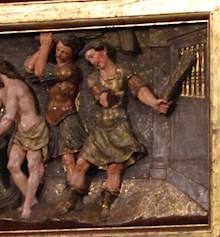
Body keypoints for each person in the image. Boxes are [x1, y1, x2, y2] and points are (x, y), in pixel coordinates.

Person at [59, 41, 170, 216]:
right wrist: (106, 97)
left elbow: (139, 89)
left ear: (103, 50)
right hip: (101, 129)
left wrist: (154, 103)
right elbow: (102, 97)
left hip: (120, 128)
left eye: (93, 55)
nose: (93, 61)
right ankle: (70, 200)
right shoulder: (93, 79)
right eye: (88, 59)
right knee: (81, 164)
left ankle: (105, 206)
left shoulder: (123, 72)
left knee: (114, 168)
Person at [0, 61, 49, 219]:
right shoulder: (2, 92)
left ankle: (27, 207)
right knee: (12, 165)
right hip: (20, 133)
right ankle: (32, 200)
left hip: (35, 130)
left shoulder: (15, 86)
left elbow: (9, 117)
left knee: (33, 165)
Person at [24, 32, 87, 196]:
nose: (60, 54)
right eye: (58, 50)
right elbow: (30, 67)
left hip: (66, 116)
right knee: (39, 158)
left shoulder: (70, 70)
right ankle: (32, 197)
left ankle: (73, 194)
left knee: (69, 158)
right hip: (49, 118)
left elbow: (40, 72)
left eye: (65, 52)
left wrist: (46, 46)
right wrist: (45, 46)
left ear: (72, 55)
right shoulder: (53, 64)